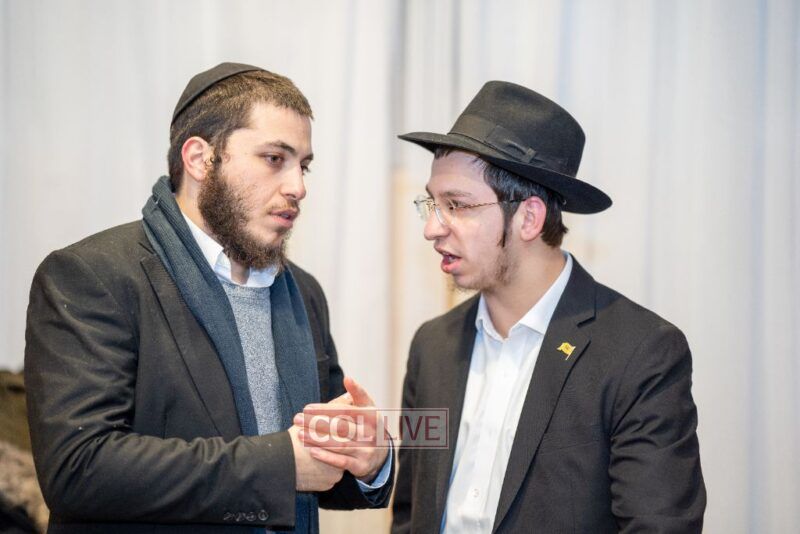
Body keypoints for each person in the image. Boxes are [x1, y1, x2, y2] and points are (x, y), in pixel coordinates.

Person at [24, 62, 392, 533]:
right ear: (200, 159)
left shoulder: (302, 291)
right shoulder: (93, 275)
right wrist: (280, 465)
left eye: (303, 166)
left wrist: (370, 459)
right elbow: (78, 468)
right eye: (274, 158)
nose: (298, 187)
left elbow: (316, 463)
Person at [390, 81, 705, 533]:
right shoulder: (432, 346)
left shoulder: (640, 353)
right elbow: (410, 511)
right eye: (431, 205)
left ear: (529, 217)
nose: (431, 229)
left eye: (457, 205)